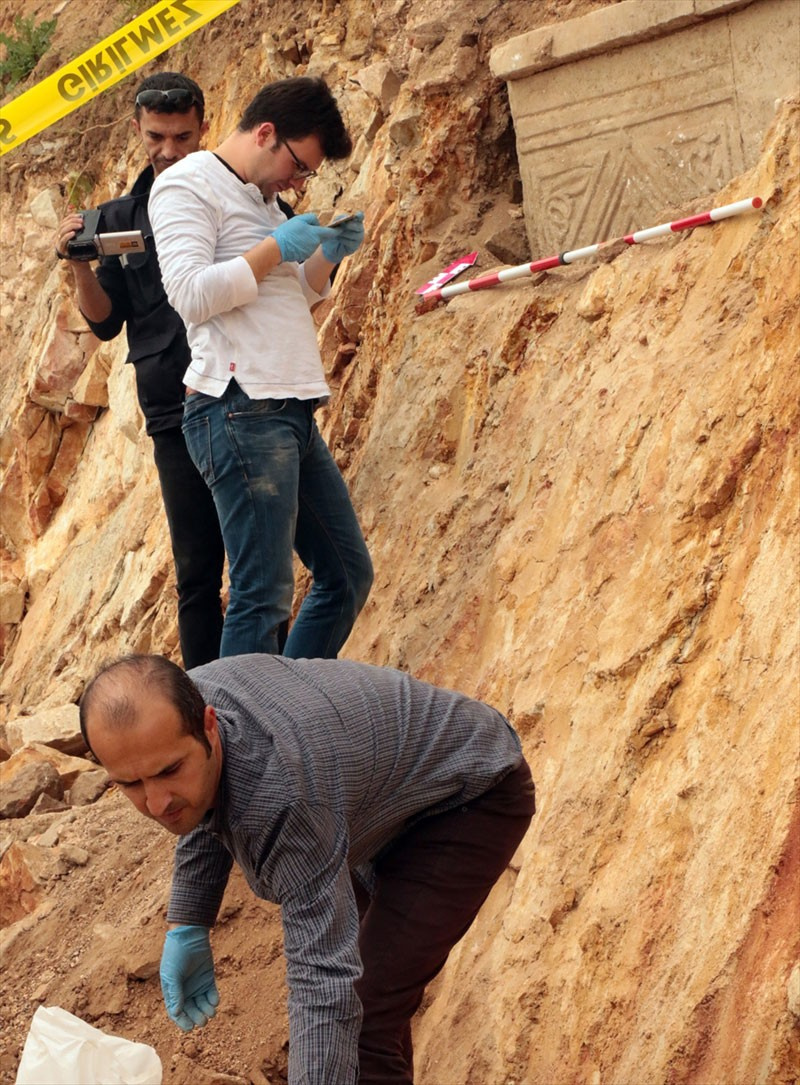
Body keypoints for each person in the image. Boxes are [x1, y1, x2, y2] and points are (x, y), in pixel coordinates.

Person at [79, 653, 536, 1084]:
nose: (156, 802)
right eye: (130, 784)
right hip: (375, 805)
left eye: (167, 771)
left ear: (209, 727)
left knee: (361, 1010)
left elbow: (323, 986)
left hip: (468, 794)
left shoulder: (287, 799)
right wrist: (189, 920)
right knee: (371, 1007)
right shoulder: (182, 703)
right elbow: (199, 805)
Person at [148, 77, 373, 660]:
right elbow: (192, 295)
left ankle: (284, 710)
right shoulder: (185, 185)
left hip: (287, 405)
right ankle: (246, 741)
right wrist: (277, 246)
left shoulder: (265, 200)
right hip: (239, 404)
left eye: (307, 176)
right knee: (262, 596)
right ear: (266, 133)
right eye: (299, 165)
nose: (297, 182)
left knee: (347, 576)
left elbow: (286, 297)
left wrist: (325, 254)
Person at [54, 72, 225, 669]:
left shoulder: (236, 194)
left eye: (182, 135)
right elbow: (105, 323)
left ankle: (273, 701)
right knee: (198, 575)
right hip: (171, 415)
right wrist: (78, 265)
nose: (170, 150)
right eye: (157, 136)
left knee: (260, 565)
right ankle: (211, 704)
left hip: (238, 400)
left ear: (204, 124)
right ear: (137, 131)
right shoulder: (117, 219)